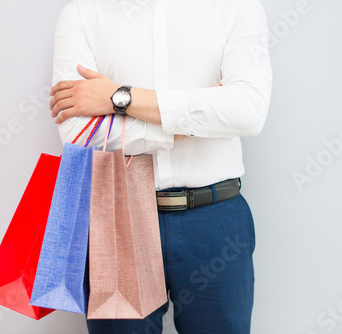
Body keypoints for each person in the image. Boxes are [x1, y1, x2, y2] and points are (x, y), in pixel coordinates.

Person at [49, 0, 272, 333]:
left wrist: (120, 98)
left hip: (215, 222)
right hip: (119, 219)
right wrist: (195, 121)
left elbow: (248, 112)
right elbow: (79, 131)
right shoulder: (83, 12)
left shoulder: (237, 7)